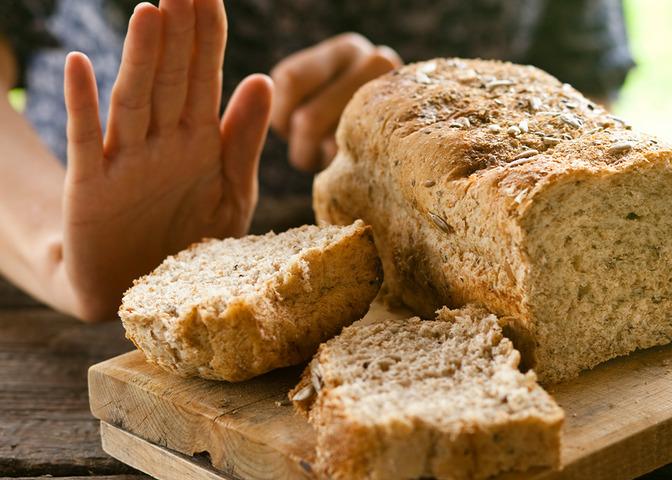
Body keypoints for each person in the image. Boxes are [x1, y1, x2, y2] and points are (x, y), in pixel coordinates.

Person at [0, 0, 634, 322]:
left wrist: (419, 116)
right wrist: (55, 249)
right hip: (48, 275)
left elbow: (577, 90)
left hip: (437, 294)